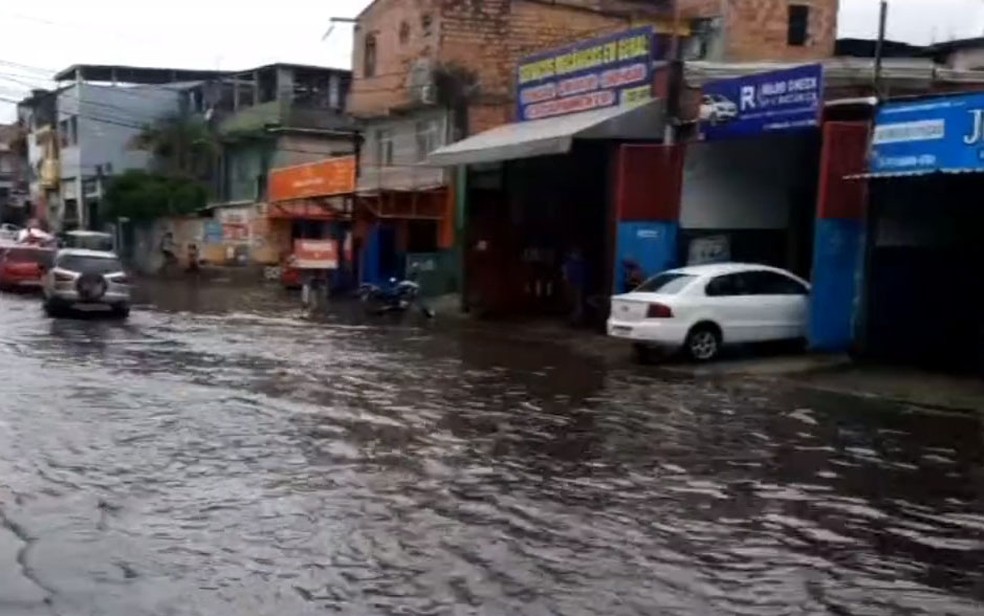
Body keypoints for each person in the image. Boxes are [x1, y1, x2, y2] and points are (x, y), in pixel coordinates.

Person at [562, 246, 587, 325]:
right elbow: (565, 275)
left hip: (578, 285)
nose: (576, 255)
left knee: (578, 303)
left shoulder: (581, 264)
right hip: (573, 285)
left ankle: (576, 320)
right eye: (575, 253)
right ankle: (574, 319)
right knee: (573, 303)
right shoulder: (570, 264)